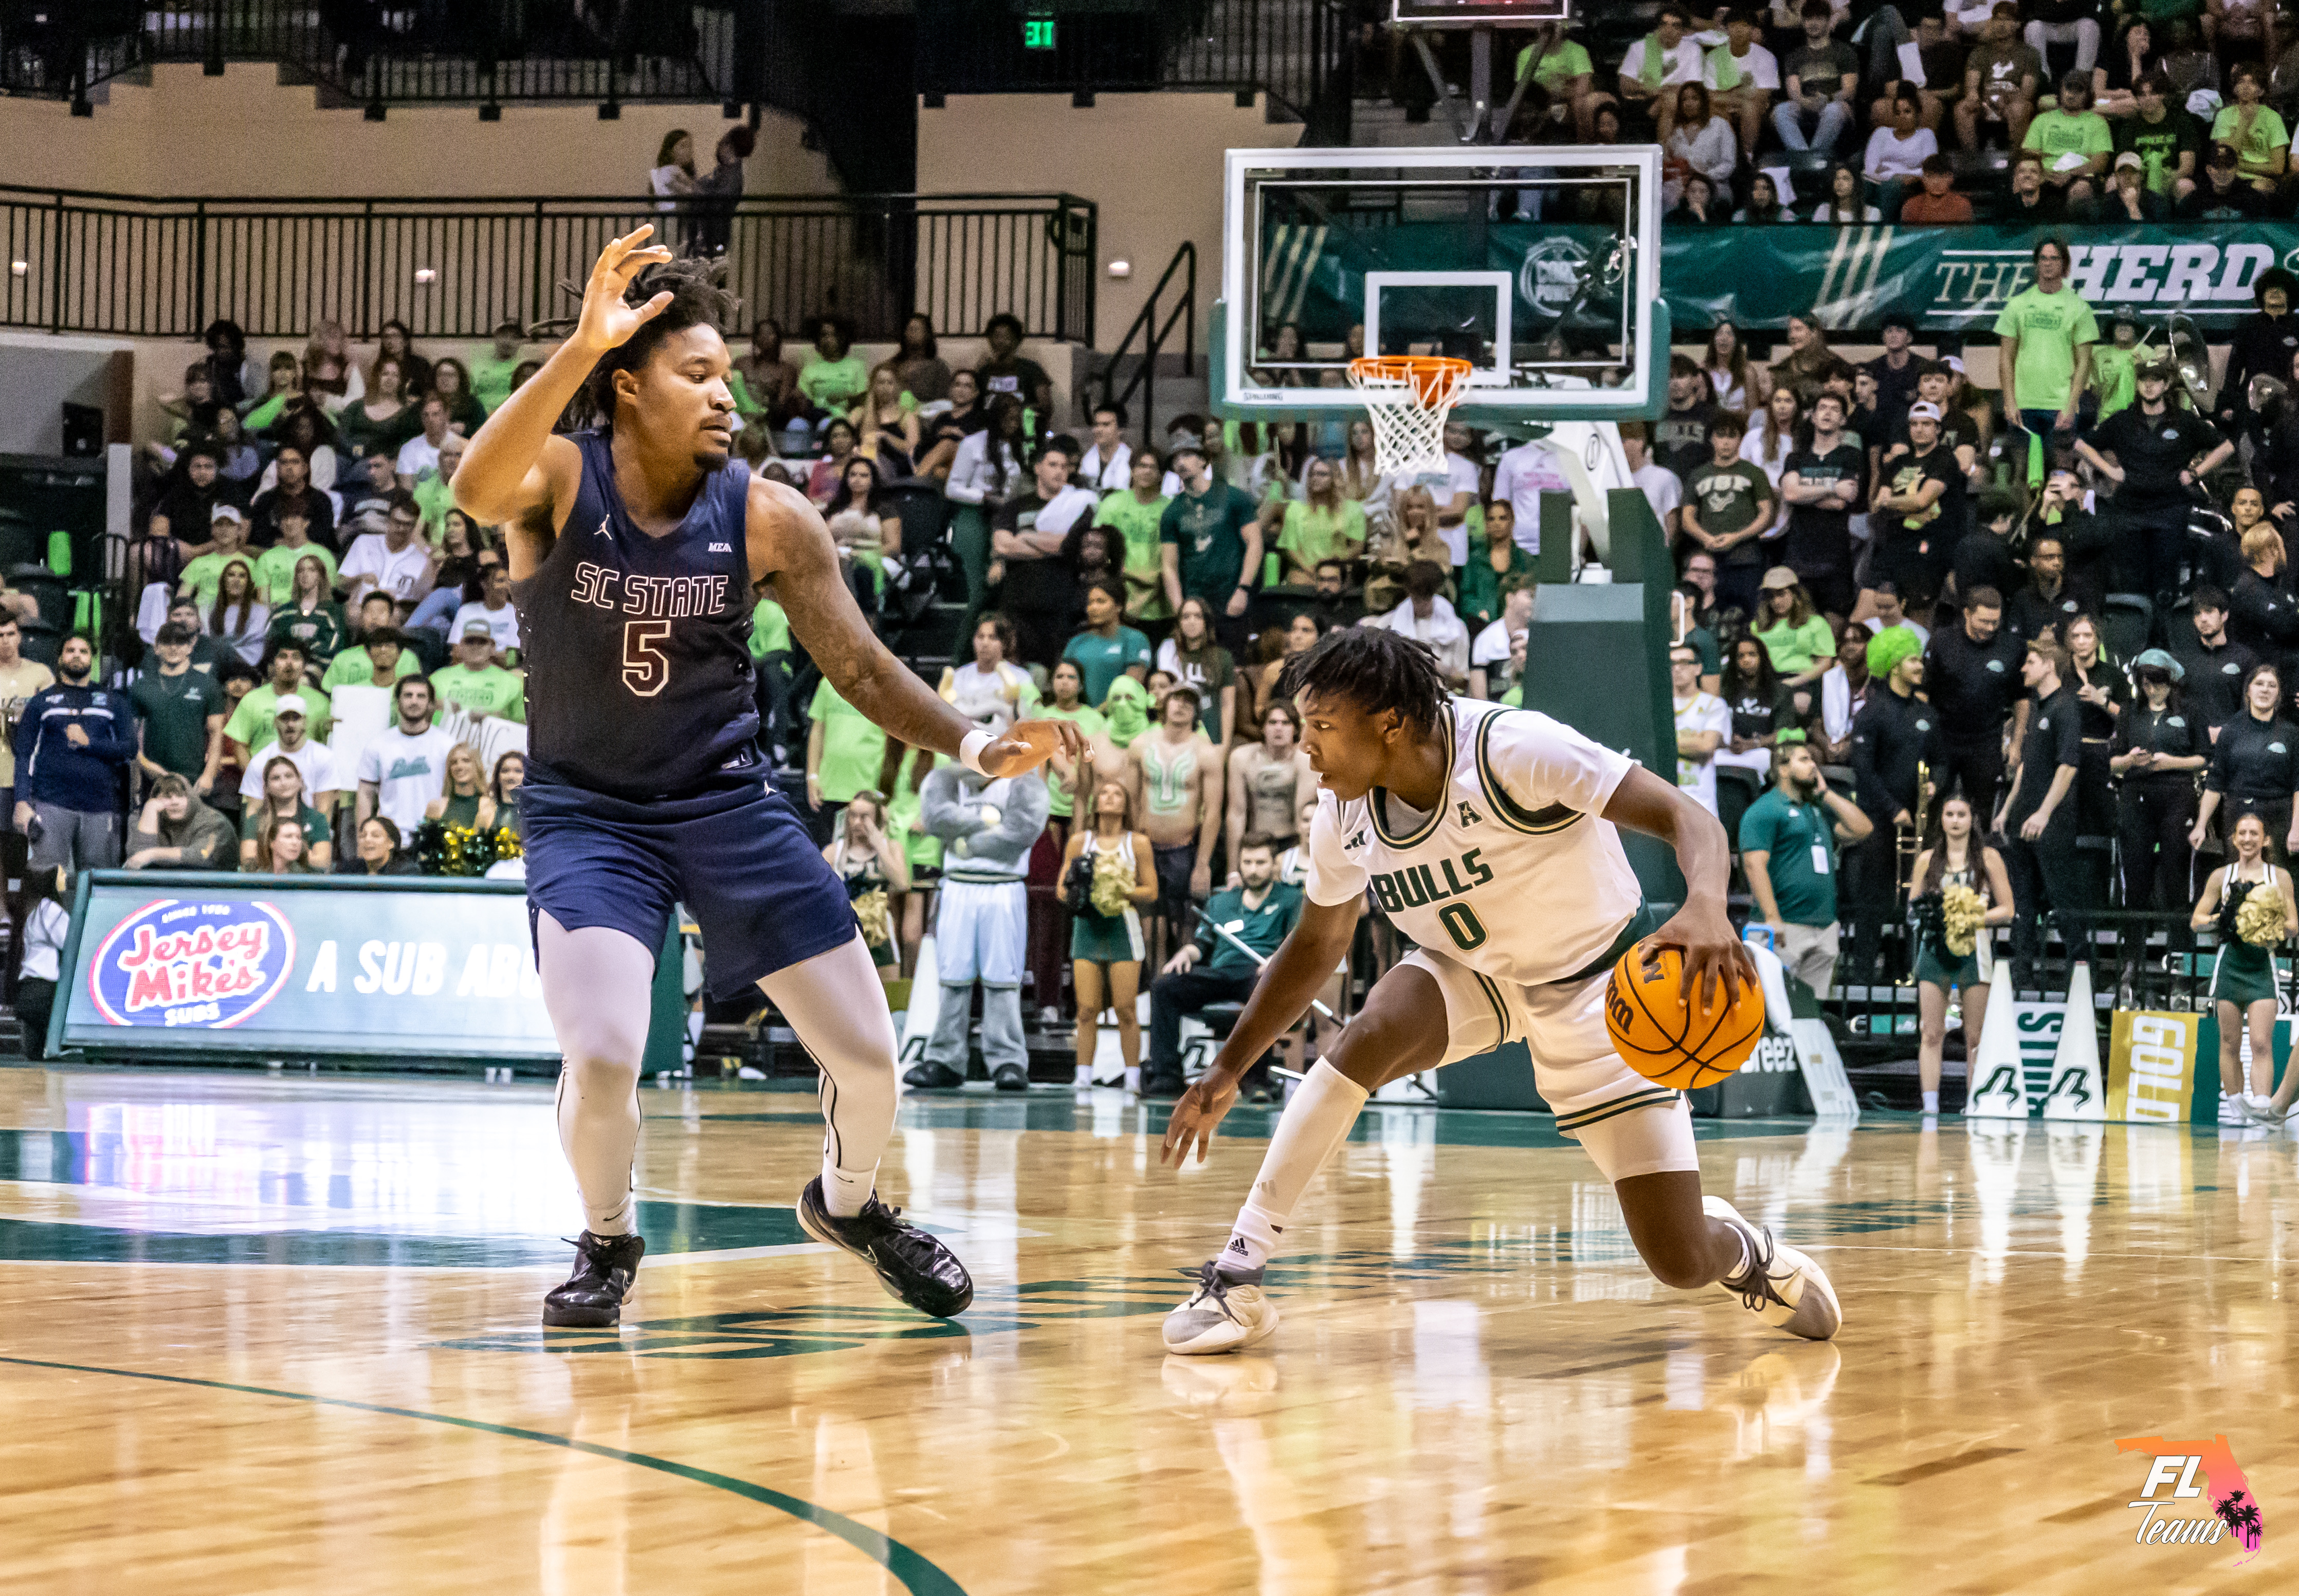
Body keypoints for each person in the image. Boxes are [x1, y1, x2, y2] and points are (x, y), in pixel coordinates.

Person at [453, 231, 1075, 1327]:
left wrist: (978, 747)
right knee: (602, 1053)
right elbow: (472, 488)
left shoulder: (767, 514)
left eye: (728, 376)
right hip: (589, 816)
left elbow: (862, 670)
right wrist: (581, 346)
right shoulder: (557, 478)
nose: (725, 395)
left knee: (870, 1062)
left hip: (726, 806)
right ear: (629, 385)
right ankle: (607, 1238)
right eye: (697, 374)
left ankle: (850, 1205)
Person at [1156, 627, 1840, 1355]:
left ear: (1389, 723)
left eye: (1322, 727)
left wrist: (1705, 905)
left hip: (1600, 984)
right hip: (1475, 970)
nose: (1305, 746)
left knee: (1679, 1262)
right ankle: (1238, 1273)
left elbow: (1688, 817)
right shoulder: (1343, 811)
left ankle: (1741, 1250)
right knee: (1371, 1033)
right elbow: (1318, 945)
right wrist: (1228, 1067)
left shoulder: (1513, 748)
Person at [913, 760, 1050, 1092]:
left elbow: (1021, 832)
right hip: (958, 885)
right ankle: (944, 1058)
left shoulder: (1023, 781)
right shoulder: (947, 778)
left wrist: (966, 839)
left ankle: (1008, 1060)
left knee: (1003, 977)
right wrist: (989, 821)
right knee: (952, 976)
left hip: (1004, 886)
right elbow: (935, 819)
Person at [2075, 354, 2230, 616]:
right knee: (2132, 584)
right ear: (2137, 384)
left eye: (2156, 380)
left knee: (2165, 587)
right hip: (2129, 512)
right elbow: (2081, 444)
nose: (2149, 385)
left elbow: (2226, 446)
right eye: (2144, 380)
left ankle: (2163, 635)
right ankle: (2135, 635)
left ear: (2166, 384)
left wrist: (2196, 473)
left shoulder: (2184, 421)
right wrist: (2109, 470)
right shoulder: (2122, 421)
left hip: (2170, 511)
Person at [1741, 734, 1873, 1000]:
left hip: (1823, 928)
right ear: (1783, 768)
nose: (1813, 765)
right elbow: (1754, 864)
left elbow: (1863, 829)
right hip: (1785, 927)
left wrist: (1826, 795)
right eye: (1804, 760)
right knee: (1774, 1008)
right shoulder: (1765, 810)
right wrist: (1772, 918)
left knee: (1812, 1010)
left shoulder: (1816, 810)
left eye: (1813, 760)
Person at [1908, 795, 2015, 1116]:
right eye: (1949, 814)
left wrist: (1971, 917)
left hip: (1974, 949)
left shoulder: (1988, 857)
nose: (1955, 820)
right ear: (1941, 819)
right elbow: (1912, 908)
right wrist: (1930, 913)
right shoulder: (1927, 860)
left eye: (1962, 814)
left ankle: (1974, 1103)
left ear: (1972, 820)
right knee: (1931, 1031)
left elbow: (2008, 909)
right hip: (1934, 948)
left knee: (1975, 1035)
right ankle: (1930, 1106)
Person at [1996, 636, 2092, 994]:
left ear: (2050, 665)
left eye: (2031, 661)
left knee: (2062, 899)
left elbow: (2068, 766)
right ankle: (2020, 977)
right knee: (2022, 903)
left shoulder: (2066, 707)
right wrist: (2007, 809)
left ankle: (2082, 978)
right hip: (2023, 818)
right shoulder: (2037, 706)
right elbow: (2026, 765)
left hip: (2051, 821)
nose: (2023, 668)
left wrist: (2044, 813)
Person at [2193, 811, 2298, 1125]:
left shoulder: (2279, 877)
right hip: (2230, 965)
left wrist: (2267, 923)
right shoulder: (2221, 876)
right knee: (2230, 1042)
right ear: (2234, 839)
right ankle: (2238, 1110)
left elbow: (2293, 925)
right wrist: (2223, 918)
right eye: (2242, 833)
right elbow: (2196, 921)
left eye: (2254, 833)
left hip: (2261, 966)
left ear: (2265, 840)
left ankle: (2263, 1110)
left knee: (2261, 1042)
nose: (2248, 839)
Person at [1063, 778, 1159, 1092]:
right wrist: (1082, 892)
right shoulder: (1079, 842)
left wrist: (1118, 889)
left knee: (1126, 1009)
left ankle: (1132, 1078)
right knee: (1086, 1009)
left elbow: (1151, 891)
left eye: (1118, 793)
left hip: (1123, 929)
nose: (1110, 798)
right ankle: (1082, 1077)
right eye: (1104, 793)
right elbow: (1062, 888)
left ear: (1126, 804)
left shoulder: (1138, 843)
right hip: (1087, 929)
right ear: (1095, 802)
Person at [13, 636, 133, 879]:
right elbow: (24, 755)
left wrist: (90, 743)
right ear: (60, 658)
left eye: (84, 651)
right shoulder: (41, 702)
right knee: (45, 878)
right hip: (50, 802)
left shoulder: (113, 702)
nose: (77, 655)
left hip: (99, 805)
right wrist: (21, 801)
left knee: (96, 881)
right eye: (70, 650)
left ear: (92, 658)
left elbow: (130, 749)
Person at [2112, 649, 2206, 929]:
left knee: (2175, 868)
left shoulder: (2190, 711)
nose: (2151, 690)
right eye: (2145, 684)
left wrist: (2171, 762)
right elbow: (2113, 762)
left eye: (2157, 684)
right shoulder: (2130, 711)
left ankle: (2179, 943)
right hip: (2137, 793)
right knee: (2136, 870)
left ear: (2170, 682)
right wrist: (2130, 760)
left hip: (2177, 793)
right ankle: (2133, 945)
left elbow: (2203, 757)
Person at [1132, 683, 1223, 963]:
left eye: (1189, 701)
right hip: (1146, 847)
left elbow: (1213, 812)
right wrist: (1132, 849)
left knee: (1184, 930)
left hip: (1184, 849)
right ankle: (1153, 985)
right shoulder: (1141, 744)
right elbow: (1131, 801)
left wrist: (1202, 864)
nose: (1181, 705)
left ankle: (1180, 984)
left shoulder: (1206, 752)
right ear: (1165, 703)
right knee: (1149, 931)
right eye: (1176, 699)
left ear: (1197, 711)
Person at [1924, 586, 2023, 822]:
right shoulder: (1942, 641)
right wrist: (1923, 739)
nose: (1990, 628)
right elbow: (1923, 693)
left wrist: (2017, 743)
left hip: (1986, 741)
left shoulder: (2012, 647)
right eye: (1984, 621)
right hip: (1943, 737)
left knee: (1984, 812)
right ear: (1967, 614)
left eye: (1995, 622)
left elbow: (2022, 697)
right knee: (1935, 804)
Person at [1996, 239, 2098, 466]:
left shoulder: (2079, 309)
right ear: (2036, 264)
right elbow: (2005, 359)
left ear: (2065, 265)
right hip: (2023, 404)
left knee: (2062, 474)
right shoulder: (2017, 305)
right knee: (2024, 474)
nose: (2048, 263)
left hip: (2061, 406)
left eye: (2054, 258)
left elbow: (2084, 363)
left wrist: (2071, 406)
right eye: (2043, 258)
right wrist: (2009, 402)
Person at [1160, 441, 1263, 655]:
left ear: (1203, 460)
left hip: (1230, 593)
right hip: (1196, 601)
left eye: (1187, 455)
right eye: (1175, 459)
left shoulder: (1233, 497)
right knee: (1198, 663)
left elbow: (1255, 543)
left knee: (1234, 663)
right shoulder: (1172, 512)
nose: (1181, 462)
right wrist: (1181, 610)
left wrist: (1243, 589)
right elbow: (1169, 566)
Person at [2192, 662, 2299, 859]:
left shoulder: (2292, 734)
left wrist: (2297, 827)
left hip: (2278, 817)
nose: (2265, 690)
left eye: (2272, 685)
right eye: (2259, 684)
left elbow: (2298, 786)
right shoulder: (2230, 732)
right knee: (2237, 877)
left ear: (2279, 695)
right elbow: (2215, 783)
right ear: (2248, 691)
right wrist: (2200, 825)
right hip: (2237, 814)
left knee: (2275, 877)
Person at [1680, 412, 1774, 618]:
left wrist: (1737, 537)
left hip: (1747, 559)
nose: (1726, 442)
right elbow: (1687, 518)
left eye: (1732, 436)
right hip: (1709, 561)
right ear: (1711, 439)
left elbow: (1767, 514)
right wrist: (1705, 538)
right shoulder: (1697, 475)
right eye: (1720, 436)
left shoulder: (1755, 473)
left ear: (1740, 439)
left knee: (1749, 616)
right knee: (1705, 613)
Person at [1225, 701, 1315, 888]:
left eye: (1286, 723)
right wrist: (1233, 871)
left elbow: (1304, 814)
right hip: (1255, 840)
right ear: (1263, 728)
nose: (1279, 728)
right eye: (1273, 722)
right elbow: (1236, 813)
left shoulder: (1305, 760)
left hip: (1291, 841)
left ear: (1296, 729)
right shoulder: (1242, 758)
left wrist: (1302, 856)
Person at [823, 790, 909, 981]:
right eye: (853, 816)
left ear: (877, 819)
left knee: (889, 995)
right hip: (846, 933)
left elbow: (902, 884)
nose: (857, 822)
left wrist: (879, 844)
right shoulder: (833, 852)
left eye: (864, 817)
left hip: (881, 934)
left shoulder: (891, 848)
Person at [131, 621, 225, 794]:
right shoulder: (141, 686)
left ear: (190, 648)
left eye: (180, 643)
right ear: (157, 648)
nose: (173, 648)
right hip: (154, 779)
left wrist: (209, 775)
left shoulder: (208, 684)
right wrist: (145, 764)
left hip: (195, 780)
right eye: (167, 642)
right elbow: (130, 735)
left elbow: (216, 733)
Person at [1777, 0, 1860, 153]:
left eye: (1819, 19)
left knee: (1833, 110)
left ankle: (1814, 157)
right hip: (1806, 107)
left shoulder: (1844, 52)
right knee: (1781, 110)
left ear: (1829, 21)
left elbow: (1849, 91)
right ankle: (1803, 156)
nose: (1813, 24)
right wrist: (1805, 102)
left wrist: (1825, 100)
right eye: (1809, 19)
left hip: (1835, 107)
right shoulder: (1794, 56)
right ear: (1803, 22)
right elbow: (1793, 91)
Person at [1154, 596, 1237, 749]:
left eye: (1198, 616)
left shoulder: (1222, 657)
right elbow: (1161, 699)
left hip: (1211, 737)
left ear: (1206, 622)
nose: (1192, 621)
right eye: (1186, 617)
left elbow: (1228, 705)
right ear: (1179, 623)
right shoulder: (1168, 652)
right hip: (1176, 738)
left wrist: (1225, 745)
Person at [1059, 580, 1151, 709]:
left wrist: (1098, 714)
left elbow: (1129, 687)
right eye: (1090, 603)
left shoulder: (1135, 639)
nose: (1093, 608)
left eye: (1101, 602)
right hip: (1079, 716)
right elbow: (1063, 683)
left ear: (1119, 606)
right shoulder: (1076, 643)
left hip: (1119, 715)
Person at [122, 772, 237, 872]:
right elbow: (137, 861)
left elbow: (203, 855)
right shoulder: (150, 817)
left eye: (181, 796)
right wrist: (150, 808)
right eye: (167, 797)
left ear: (192, 798)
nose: (175, 802)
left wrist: (153, 854)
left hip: (212, 887)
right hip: (166, 887)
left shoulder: (214, 821)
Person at [238, 753, 333, 871]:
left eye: (289, 776)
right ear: (266, 787)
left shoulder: (316, 819)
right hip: (267, 881)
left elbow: (323, 862)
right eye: (276, 778)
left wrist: (283, 851)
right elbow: (248, 860)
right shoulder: (256, 820)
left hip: (306, 881)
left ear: (300, 781)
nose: (283, 783)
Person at [13, 867, 69, 1060]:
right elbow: (69, 940)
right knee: (53, 1054)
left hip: (27, 988)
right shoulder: (49, 908)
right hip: (44, 989)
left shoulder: (34, 913)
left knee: (35, 1055)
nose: (65, 877)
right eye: (61, 874)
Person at [1671, 643, 1731, 819]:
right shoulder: (1659, 706)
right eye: (1672, 663)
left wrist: (1664, 742)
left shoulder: (1714, 705)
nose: (1677, 669)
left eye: (1684, 663)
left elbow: (1705, 747)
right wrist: (1692, 741)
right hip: (1667, 799)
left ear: (1698, 668)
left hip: (1701, 803)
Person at [431, 622, 527, 724]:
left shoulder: (513, 683)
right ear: (461, 646)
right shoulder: (438, 679)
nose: (475, 647)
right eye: (470, 642)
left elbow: (523, 725)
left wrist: (497, 718)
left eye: (482, 642)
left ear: (493, 647)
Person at [336, 813, 418, 875]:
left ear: (391, 843)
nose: (367, 839)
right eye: (363, 836)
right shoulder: (350, 870)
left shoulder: (406, 872)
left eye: (376, 836)